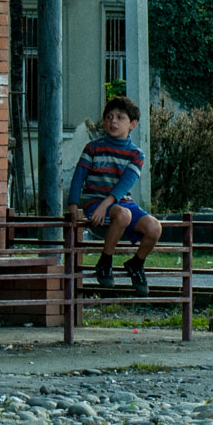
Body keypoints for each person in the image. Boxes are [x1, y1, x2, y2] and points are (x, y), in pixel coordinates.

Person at [66, 96, 162, 295]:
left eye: (120, 118)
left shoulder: (136, 154)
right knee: (123, 214)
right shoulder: (93, 148)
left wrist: (107, 204)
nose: (113, 122)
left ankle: (136, 264)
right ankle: (105, 262)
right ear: (103, 121)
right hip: (95, 202)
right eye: (109, 117)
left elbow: (124, 184)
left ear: (133, 124)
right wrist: (74, 207)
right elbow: (78, 178)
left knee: (154, 227)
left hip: (119, 202)